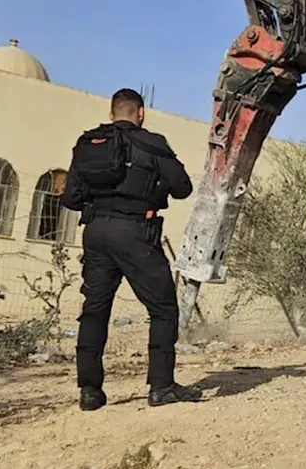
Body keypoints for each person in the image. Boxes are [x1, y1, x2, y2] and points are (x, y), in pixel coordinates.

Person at [60, 88, 203, 410]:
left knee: (95, 310)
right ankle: (161, 387)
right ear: (141, 113)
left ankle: (89, 392)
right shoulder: (151, 143)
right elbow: (183, 188)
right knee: (163, 309)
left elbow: (70, 198)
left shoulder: (88, 144)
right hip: (136, 233)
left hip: (95, 232)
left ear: (112, 113)